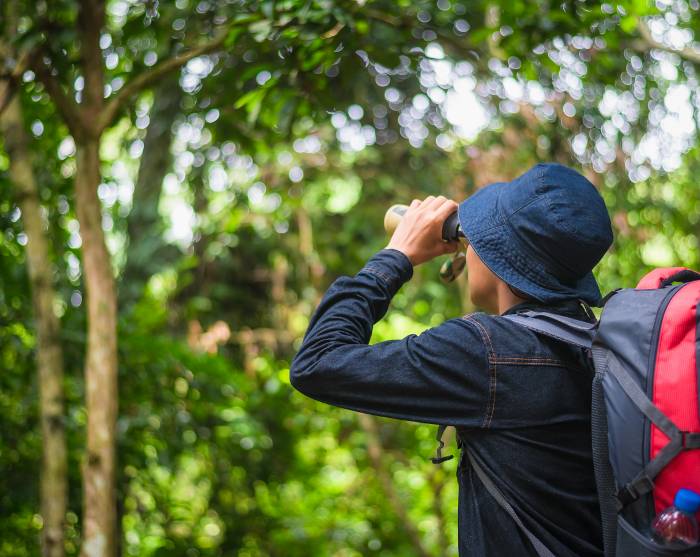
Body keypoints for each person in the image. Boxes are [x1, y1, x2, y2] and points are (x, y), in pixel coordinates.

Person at [289, 163, 613, 556]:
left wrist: (396, 255)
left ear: (500, 258)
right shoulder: (600, 342)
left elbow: (318, 361)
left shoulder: (486, 353)